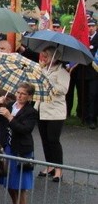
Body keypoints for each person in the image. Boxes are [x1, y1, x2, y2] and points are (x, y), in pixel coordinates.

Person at [0, 82, 38, 204]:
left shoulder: (31, 112)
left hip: (21, 149)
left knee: (20, 182)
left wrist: (9, 117)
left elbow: (24, 129)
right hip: (7, 146)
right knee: (7, 178)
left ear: (29, 97)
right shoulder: (10, 104)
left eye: (23, 94)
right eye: (18, 92)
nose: (19, 95)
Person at [36, 48, 70, 182]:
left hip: (55, 111)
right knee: (44, 139)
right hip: (41, 109)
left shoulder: (62, 72)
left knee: (53, 140)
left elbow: (63, 89)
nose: (44, 58)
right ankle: (49, 165)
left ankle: (58, 169)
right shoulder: (44, 69)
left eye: (47, 56)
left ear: (55, 57)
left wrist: (50, 83)